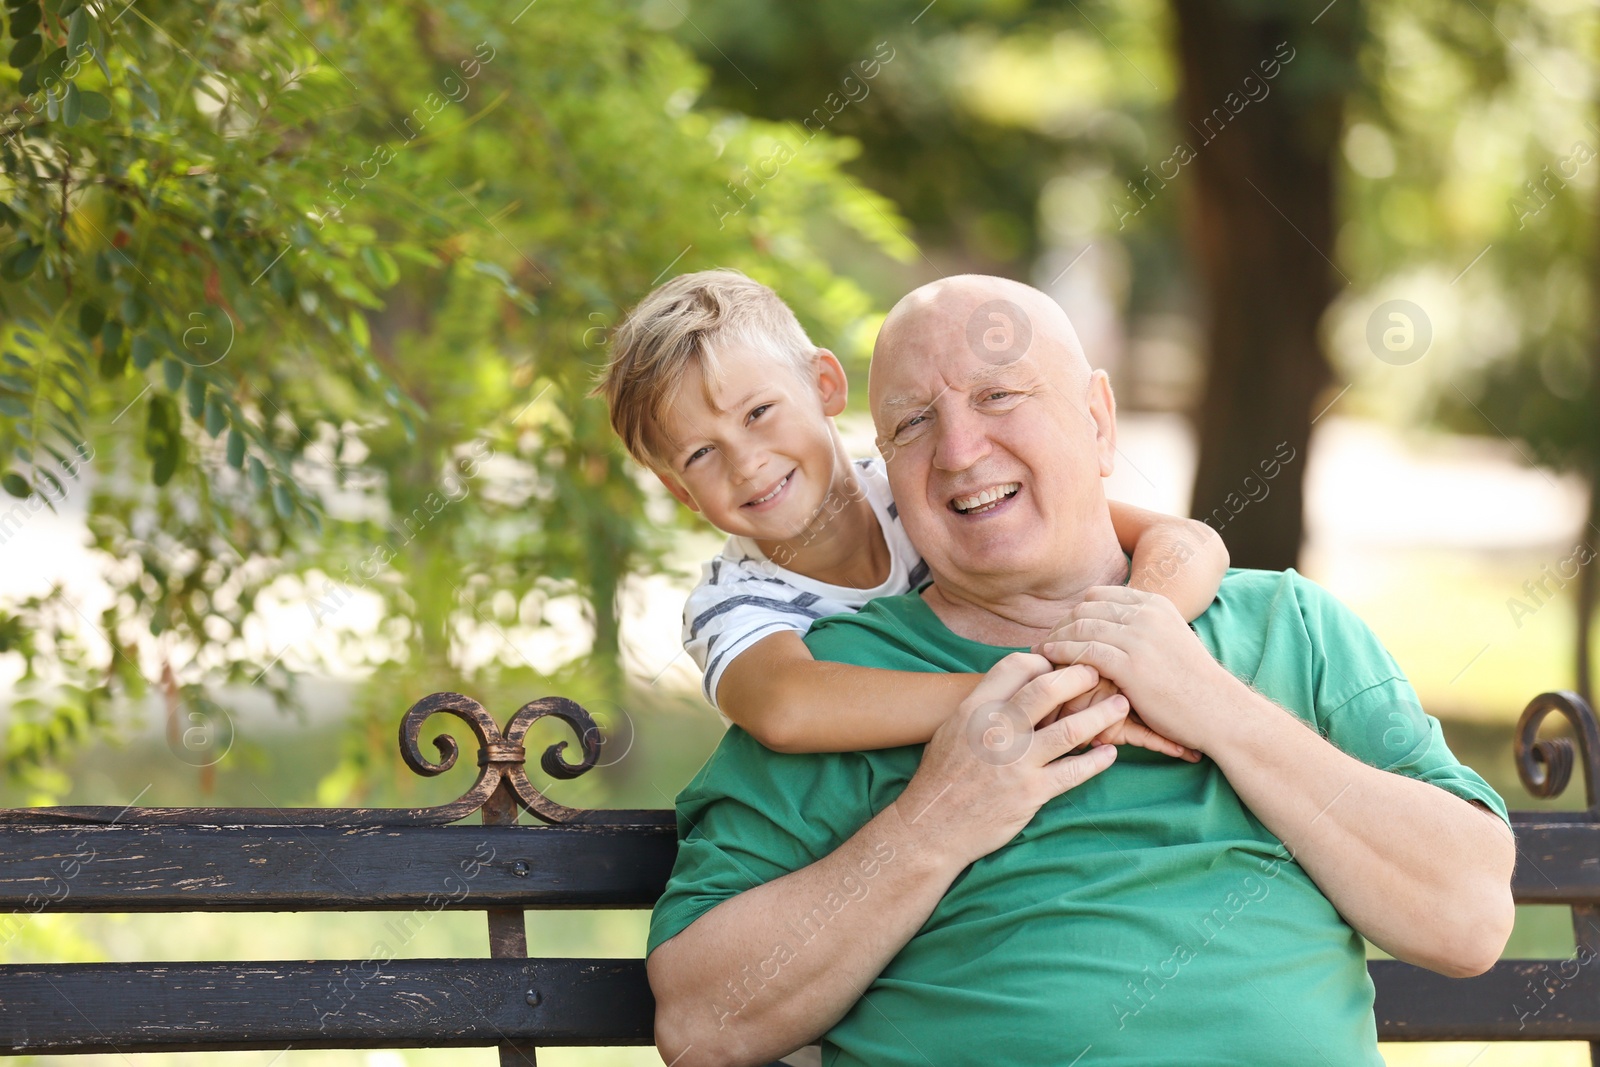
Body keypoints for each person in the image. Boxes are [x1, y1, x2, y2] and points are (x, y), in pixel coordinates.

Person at [644, 274, 1517, 1067]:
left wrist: (1208, 699)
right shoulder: (844, 678)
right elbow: (701, 1024)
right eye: (912, 423)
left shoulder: (1289, 625)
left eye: (999, 396)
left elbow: (1469, 918)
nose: (958, 450)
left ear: (1098, 420)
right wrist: (936, 821)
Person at [597, 268, 1225, 763]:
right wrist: (1036, 697)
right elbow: (784, 707)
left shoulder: (928, 489)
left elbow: (1186, 542)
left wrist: (1115, 662)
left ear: (824, 386)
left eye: (758, 412)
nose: (746, 463)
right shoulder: (735, 601)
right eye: (701, 453)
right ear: (678, 490)